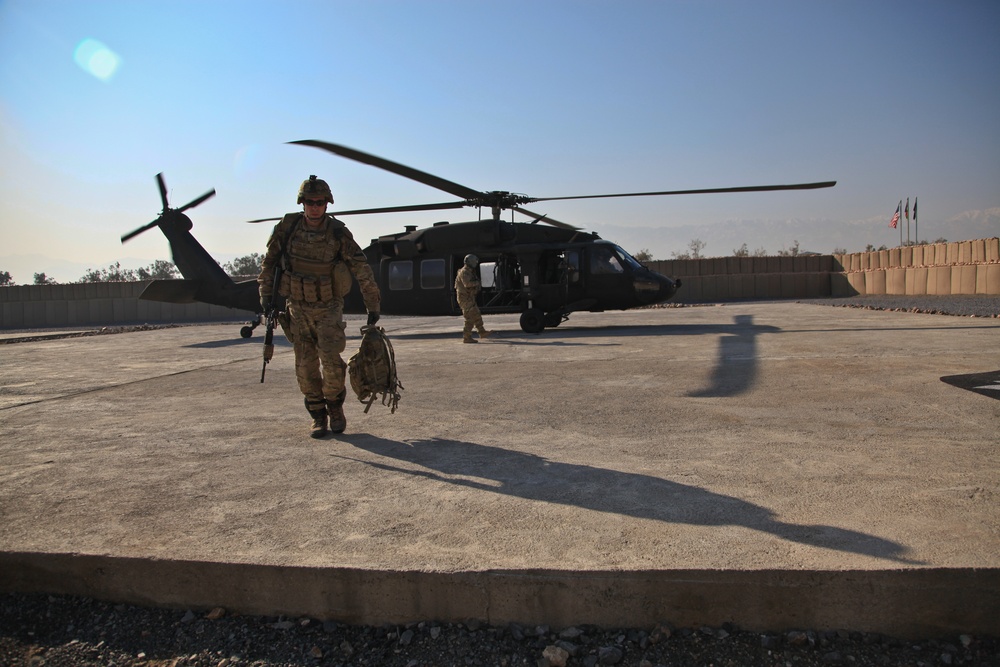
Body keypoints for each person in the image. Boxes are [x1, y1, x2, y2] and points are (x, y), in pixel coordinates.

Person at [258, 175, 381, 438]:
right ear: (302, 203)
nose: (315, 207)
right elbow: (269, 264)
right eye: (310, 202)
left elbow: (361, 268)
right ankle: (317, 414)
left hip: (329, 307)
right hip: (298, 308)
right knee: (305, 366)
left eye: (320, 202)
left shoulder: (338, 233)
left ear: (327, 204)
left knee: (333, 364)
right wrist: (266, 297)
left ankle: (335, 408)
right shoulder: (287, 228)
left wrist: (372, 303)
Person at [454, 254, 494, 343]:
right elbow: (467, 284)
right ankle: (466, 337)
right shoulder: (464, 272)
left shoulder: (470, 272)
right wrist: (477, 283)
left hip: (469, 298)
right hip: (465, 299)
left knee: (477, 315)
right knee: (470, 318)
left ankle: (482, 332)